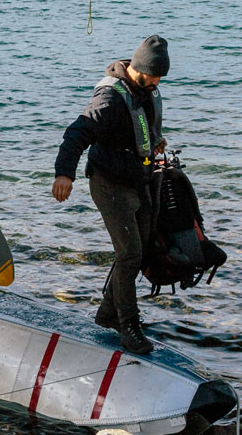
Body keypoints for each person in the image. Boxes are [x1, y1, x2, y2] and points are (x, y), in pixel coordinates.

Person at [52, 35, 169, 355]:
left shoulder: (145, 90)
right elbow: (76, 133)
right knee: (130, 254)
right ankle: (128, 325)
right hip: (110, 184)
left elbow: (140, 129)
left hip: (140, 179)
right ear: (140, 69)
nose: (158, 82)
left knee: (139, 253)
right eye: (155, 76)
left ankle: (106, 314)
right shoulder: (110, 99)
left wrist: (155, 141)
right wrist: (64, 173)